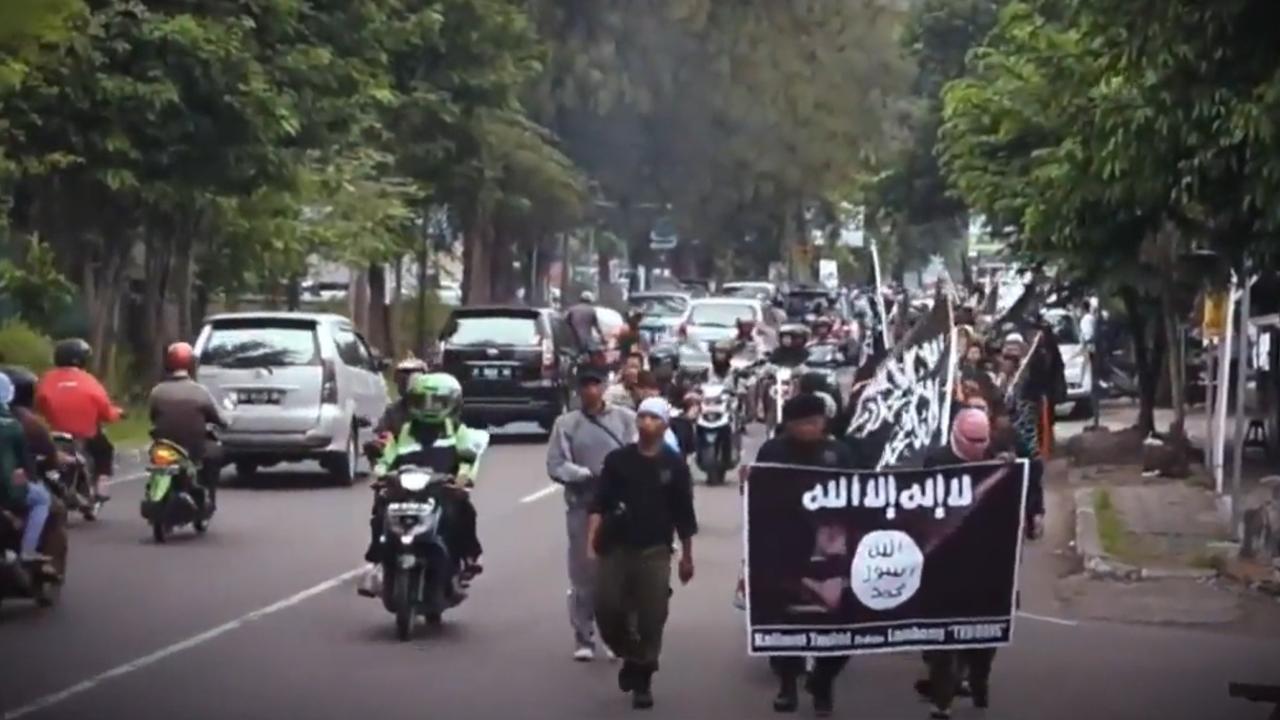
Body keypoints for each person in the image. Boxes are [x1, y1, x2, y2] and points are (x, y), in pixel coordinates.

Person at [916, 406, 1042, 719]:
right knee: (944, 634)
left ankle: (978, 678)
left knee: (985, 630)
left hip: (989, 559)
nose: (977, 446)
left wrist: (1033, 509)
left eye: (981, 440)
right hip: (947, 560)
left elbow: (1030, 478)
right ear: (956, 435)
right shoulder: (938, 460)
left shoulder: (1001, 453)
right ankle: (942, 699)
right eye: (971, 440)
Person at [589, 396, 697, 710]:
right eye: (642, 417)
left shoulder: (673, 465)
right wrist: (591, 542)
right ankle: (633, 656)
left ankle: (643, 679)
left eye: (654, 418)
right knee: (607, 609)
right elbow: (598, 504)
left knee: (652, 617)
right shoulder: (618, 461)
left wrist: (687, 557)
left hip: (655, 550)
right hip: (615, 548)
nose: (647, 423)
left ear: (665, 425)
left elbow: (684, 514)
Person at [752, 393, 854, 716]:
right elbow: (758, 496)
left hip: (830, 550)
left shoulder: (838, 453)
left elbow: (862, 493)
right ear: (791, 424)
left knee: (840, 626)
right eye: (805, 422)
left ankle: (822, 682)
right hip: (785, 549)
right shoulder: (774, 451)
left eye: (817, 421)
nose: (813, 427)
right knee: (786, 623)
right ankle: (787, 684)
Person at [358, 373, 488, 597]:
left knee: (462, 511)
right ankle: (377, 562)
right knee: (381, 510)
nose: (430, 408)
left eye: (437, 403)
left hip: (441, 492)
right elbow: (386, 454)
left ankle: (469, 557)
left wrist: (462, 479)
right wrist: (380, 470)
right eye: (423, 401)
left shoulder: (459, 432)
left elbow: (469, 460)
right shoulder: (404, 432)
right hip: (405, 491)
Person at [546, 364, 638, 661]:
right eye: (585, 385)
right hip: (582, 505)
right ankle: (584, 637)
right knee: (584, 574)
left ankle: (617, 636)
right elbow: (556, 464)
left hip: (619, 508)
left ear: (604, 386)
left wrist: (618, 474)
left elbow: (638, 454)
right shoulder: (566, 424)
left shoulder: (625, 419)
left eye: (595, 384)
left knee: (619, 574)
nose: (590, 390)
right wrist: (584, 474)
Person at [35, 339, 122, 502]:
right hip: (84, 434)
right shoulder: (89, 381)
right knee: (105, 449)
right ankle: (102, 484)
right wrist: (118, 413)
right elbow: (106, 411)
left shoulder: (45, 379)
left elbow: (38, 405)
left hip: (53, 433)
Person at [148, 342, 230, 508]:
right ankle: (208, 496)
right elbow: (220, 419)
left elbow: (153, 416)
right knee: (215, 453)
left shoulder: (157, 391)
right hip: (193, 449)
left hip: (164, 447)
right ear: (191, 364)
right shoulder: (200, 392)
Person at [0, 372, 54, 567]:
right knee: (42, 498)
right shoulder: (16, 425)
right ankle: (28, 550)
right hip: (8, 489)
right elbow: (25, 462)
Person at [565, 291, 606, 356]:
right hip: (587, 342)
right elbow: (597, 327)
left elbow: (565, 323)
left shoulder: (572, 309)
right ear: (590, 301)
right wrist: (603, 339)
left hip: (574, 342)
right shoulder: (591, 311)